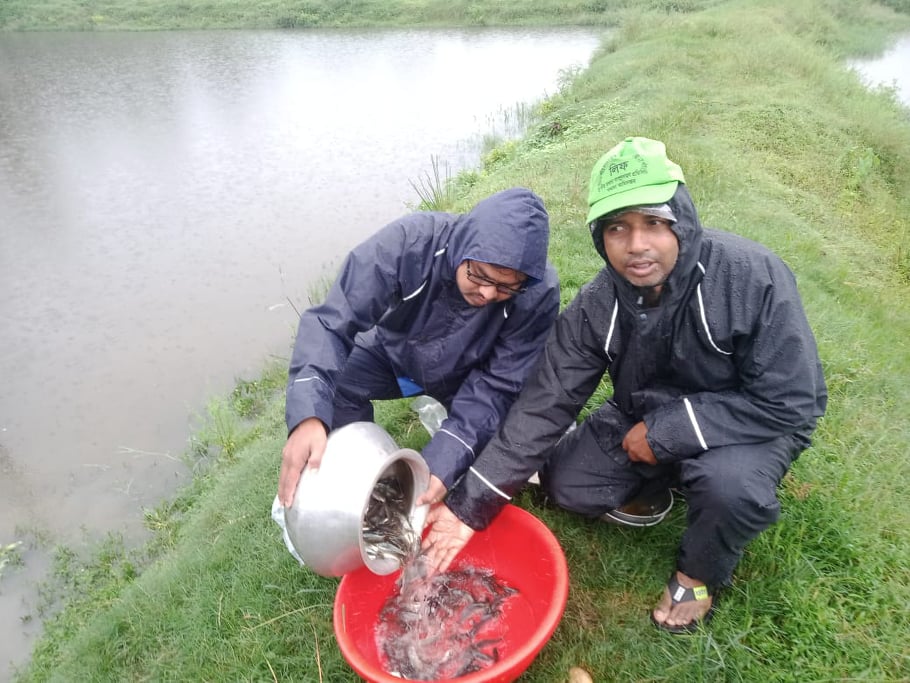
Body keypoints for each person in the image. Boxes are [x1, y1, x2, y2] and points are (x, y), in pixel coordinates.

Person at [423, 137, 827, 634]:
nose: (636, 245)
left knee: (729, 488)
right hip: (641, 414)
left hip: (748, 424)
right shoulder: (598, 303)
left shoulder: (752, 276)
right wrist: (469, 507)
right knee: (566, 483)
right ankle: (671, 477)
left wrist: (666, 434)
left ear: (680, 219)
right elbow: (544, 404)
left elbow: (793, 403)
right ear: (600, 237)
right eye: (618, 228)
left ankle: (696, 576)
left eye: (653, 223)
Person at [278, 187, 560, 510]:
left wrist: (442, 460)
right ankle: (369, 476)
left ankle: (453, 448)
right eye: (479, 274)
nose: (486, 292)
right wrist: (307, 416)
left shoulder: (538, 294)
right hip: (400, 358)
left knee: (511, 447)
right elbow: (332, 322)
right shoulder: (410, 243)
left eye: (505, 287)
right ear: (464, 244)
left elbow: (496, 386)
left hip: (470, 376)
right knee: (335, 384)